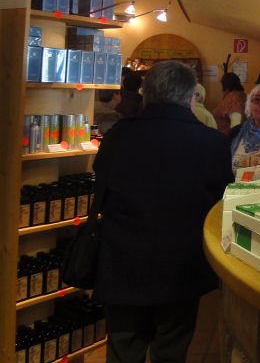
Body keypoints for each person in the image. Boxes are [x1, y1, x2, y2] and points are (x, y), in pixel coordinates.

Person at [92, 60, 233, 362]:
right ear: (190, 97)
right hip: (181, 265)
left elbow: (101, 190)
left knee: (122, 349)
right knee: (171, 349)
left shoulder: (118, 135)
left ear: (146, 94)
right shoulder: (211, 143)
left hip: (122, 260)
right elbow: (220, 204)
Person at [212, 72, 246, 137]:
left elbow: (235, 123)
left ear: (225, 85)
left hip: (227, 138)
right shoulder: (241, 95)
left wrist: (231, 140)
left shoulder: (234, 97)